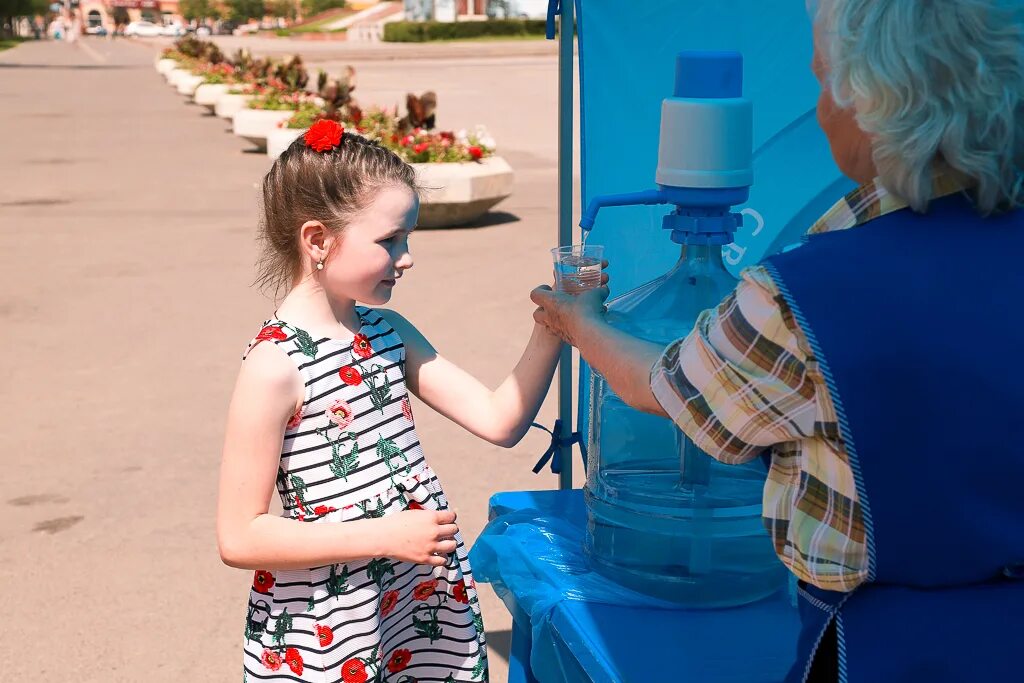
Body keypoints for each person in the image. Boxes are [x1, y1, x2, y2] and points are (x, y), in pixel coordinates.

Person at [531, 1, 1024, 681]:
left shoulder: (804, 298)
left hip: (884, 649)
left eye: (825, 84)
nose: (821, 109)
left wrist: (581, 322)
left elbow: (661, 386)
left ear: (876, 102)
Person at [217, 120, 575, 682]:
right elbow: (240, 536)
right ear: (317, 240)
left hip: (415, 603)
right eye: (389, 241)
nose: (406, 257)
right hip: (331, 624)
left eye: (408, 238)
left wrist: (556, 323)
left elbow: (500, 419)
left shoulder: (389, 332)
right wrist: (385, 534)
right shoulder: (274, 365)